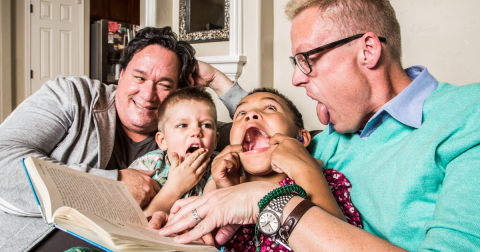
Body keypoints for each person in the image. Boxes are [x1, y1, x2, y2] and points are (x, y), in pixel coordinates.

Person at [150, 0, 480, 251]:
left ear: (367, 51)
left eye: (306, 59)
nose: (296, 78)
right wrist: (219, 82)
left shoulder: (467, 117)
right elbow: (260, 128)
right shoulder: (331, 136)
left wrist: (272, 202)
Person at [0, 26, 243, 251]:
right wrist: (113, 183)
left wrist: (218, 83)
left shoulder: (187, 130)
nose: (148, 94)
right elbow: (4, 159)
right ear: (122, 73)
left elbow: (261, 132)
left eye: (164, 85)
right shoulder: (72, 96)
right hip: (38, 240)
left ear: (177, 93)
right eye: (139, 77)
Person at [209, 88, 361, 251]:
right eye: (240, 113)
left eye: (270, 108)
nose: (251, 115)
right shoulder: (222, 186)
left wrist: (305, 169)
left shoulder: (330, 182)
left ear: (301, 138)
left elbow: (341, 241)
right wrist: (224, 191)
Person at [128, 87, 220, 218]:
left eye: (206, 125)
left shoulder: (219, 165)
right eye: (183, 125)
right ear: (163, 140)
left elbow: (211, 215)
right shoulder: (148, 166)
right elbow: (133, 221)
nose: (196, 131)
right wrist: (176, 187)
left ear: (216, 140)